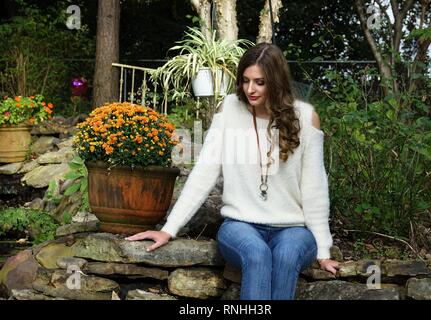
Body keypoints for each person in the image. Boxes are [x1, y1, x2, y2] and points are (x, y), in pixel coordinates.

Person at [125, 43, 339, 300]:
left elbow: (314, 187)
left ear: (277, 81)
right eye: (246, 81)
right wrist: (170, 228)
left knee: (286, 256)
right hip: (240, 225)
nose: (251, 89)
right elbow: (204, 172)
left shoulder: (306, 117)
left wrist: (323, 251)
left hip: (293, 228)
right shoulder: (229, 109)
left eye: (260, 82)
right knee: (256, 254)